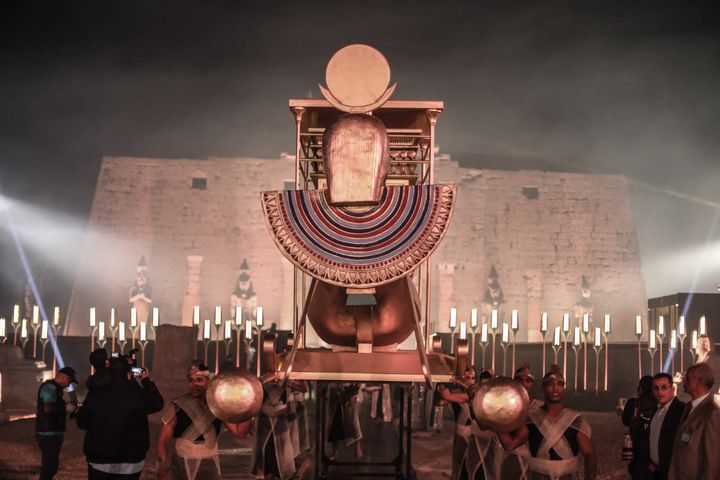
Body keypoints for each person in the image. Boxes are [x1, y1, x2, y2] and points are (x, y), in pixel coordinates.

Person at [156, 361, 252, 480]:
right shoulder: (177, 405)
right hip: (182, 463)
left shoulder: (218, 404)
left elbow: (239, 432)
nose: (194, 384)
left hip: (210, 463)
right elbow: (162, 441)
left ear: (208, 381)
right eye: (191, 380)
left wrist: (249, 407)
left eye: (199, 380)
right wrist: (161, 470)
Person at [499, 368, 597, 480]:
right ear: (543, 388)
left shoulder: (576, 420)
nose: (555, 388)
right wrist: (494, 421)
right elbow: (509, 445)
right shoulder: (531, 419)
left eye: (559, 384)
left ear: (563, 388)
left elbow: (590, 455)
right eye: (550, 384)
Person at [76, 357, 164, 479]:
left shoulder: (96, 394)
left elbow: (81, 422)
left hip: (100, 459)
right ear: (128, 373)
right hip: (131, 461)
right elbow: (157, 403)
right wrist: (146, 381)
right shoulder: (137, 395)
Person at [668, 363, 720, 480]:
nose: (683, 382)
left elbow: (712, 460)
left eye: (687, 379)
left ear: (698, 382)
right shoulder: (688, 407)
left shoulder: (712, 413)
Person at [250, 377, 299, 480]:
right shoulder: (262, 382)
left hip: (280, 428)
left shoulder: (286, 382)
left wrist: (288, 381)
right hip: (264, 426)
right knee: (266, 461)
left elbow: (303, 388)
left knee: (279, 462)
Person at [36, 367, 78, 480]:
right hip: (48, 433)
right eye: (69, 381)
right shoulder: (50, 388)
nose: (69, 385)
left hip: (52, 432)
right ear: (64, 377)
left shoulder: (55, 389)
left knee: (51, 465)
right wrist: (65, 408)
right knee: (49, 466)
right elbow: (48, 408)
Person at [647, 373, 684, 480]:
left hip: (671, 472)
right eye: (656, 388)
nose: (659, 392)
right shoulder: (656, 410)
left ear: (672, 389)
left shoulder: (681, 410)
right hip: (655, 472)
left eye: (664, 387)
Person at [622, 376, 657, 479]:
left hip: (636, 449)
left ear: (640, 388)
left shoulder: (633, 403)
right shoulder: (660, 404)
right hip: (654, 451)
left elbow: (625, 421)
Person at [325, 383, 363, 460]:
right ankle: (335, 451)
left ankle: (357, 446)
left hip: (350, 393)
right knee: (334, 422)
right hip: (335, 392)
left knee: (353, 421)